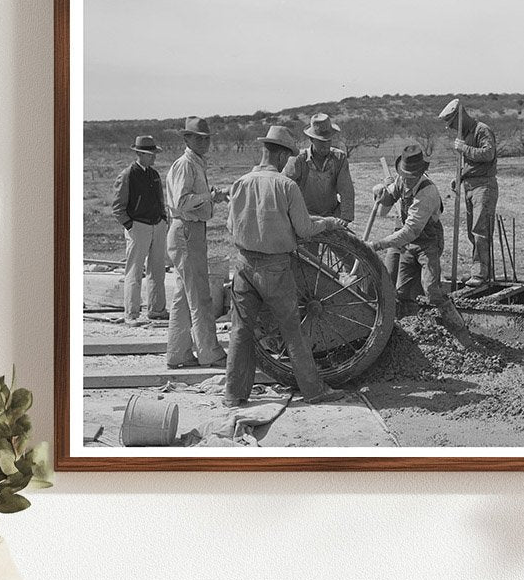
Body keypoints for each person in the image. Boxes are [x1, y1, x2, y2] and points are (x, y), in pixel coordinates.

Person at [224, 123, 347, 407]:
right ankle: (314, 390)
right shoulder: (286, 186)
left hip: (243, 265)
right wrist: (328, 222)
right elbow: (304, 230)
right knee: (293, 330)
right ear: (281, 157)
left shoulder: (240, 183)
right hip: (275, 268)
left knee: (241, 330)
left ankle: (233, 394)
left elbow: (232, 226)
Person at [370, 143, 470, 344]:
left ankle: (460, 332)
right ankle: (406, 338)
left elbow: (410, 231)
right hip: (409, 245)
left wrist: (378, 244)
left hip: (427, 243)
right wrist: (381, 192)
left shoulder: (427, 192)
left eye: (411, 176)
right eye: (404, 175)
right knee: (401, 292)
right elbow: (388, 200)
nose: (407, 180)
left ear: (421, 172)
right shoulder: (402, 181)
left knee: (431, 289)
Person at [165, 116, 229, 369]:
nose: (204, 142)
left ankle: (178, 353)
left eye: (207, 138)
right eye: (199, 138)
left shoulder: (195, 164)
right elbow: (182, 202)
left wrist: (213, 197)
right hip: (187, 230)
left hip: (190, 229)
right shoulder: (185, 165)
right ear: (187, 139)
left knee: (184, 296)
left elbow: (192, 199)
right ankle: (209, 352)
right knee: (200, 296)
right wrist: (209, 196)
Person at [438, 98, 498, 287]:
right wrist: (461, 176)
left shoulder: (482, 130)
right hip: (470, 186)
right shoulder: (465, 134)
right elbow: (472, 164)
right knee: (473, 232)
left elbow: (488, 154)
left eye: (453, 123)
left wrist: (464, 148)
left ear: (460, 116)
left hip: (484, 186)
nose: (453, 128)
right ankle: (480, 271)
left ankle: (480, 274)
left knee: (481, 231)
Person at [111, 134, 169, 325]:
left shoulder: (153, 174)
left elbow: (160, 200)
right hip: (138, 227)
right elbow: (118, 207)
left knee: (158, 271)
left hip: (156, 226)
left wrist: (163, 220)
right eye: (149, 153)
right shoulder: (128, 175)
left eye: (153, 153)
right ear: (139, 154)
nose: (153, 156)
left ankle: (157, 310)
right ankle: (132, 314)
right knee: (134, 272)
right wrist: (130, 226)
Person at [283, 113, 355, 221]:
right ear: (311, 140)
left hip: (332, 216)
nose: (326, 145)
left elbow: (346, 190)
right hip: (305, 217)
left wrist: (345, 218)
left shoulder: (339, 158)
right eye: (321, 141)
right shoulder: (298, 160)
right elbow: (283, 190)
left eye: (328, 141)